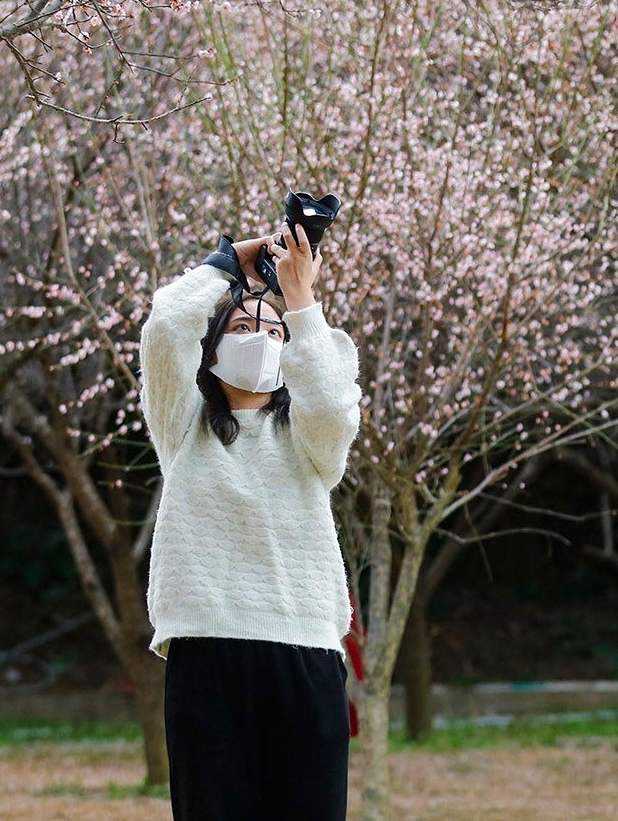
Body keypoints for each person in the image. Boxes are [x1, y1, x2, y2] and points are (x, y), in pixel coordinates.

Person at [140, 222, 362, 821]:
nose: (260, 339)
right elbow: (166, 328)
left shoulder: (311, 439)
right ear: (210, 353)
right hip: (207, 644)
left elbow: (336, 404)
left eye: (273, 332)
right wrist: (227, 265)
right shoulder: (183, 425)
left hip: (305, 650)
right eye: (242, 328)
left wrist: (303, 303)